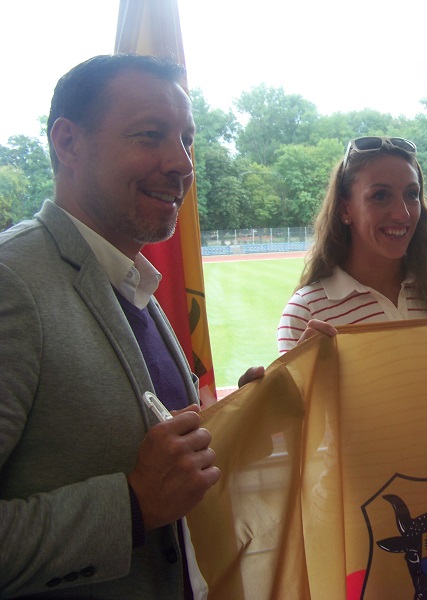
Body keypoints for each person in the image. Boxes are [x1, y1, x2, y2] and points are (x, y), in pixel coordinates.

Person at [0, 55, 220, 599]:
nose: (181, 163)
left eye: (186, 140)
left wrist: (245, 413)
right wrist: (133, 504)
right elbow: (147, 493)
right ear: (68, 143)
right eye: (150, 136)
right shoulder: (12, 282)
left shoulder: (129, 280)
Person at [275, 136, 427, 354]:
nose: (402, 214)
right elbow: (296, 380)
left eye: (412, 194)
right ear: (345, 209)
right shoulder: (306, 312)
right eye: (380, 196)